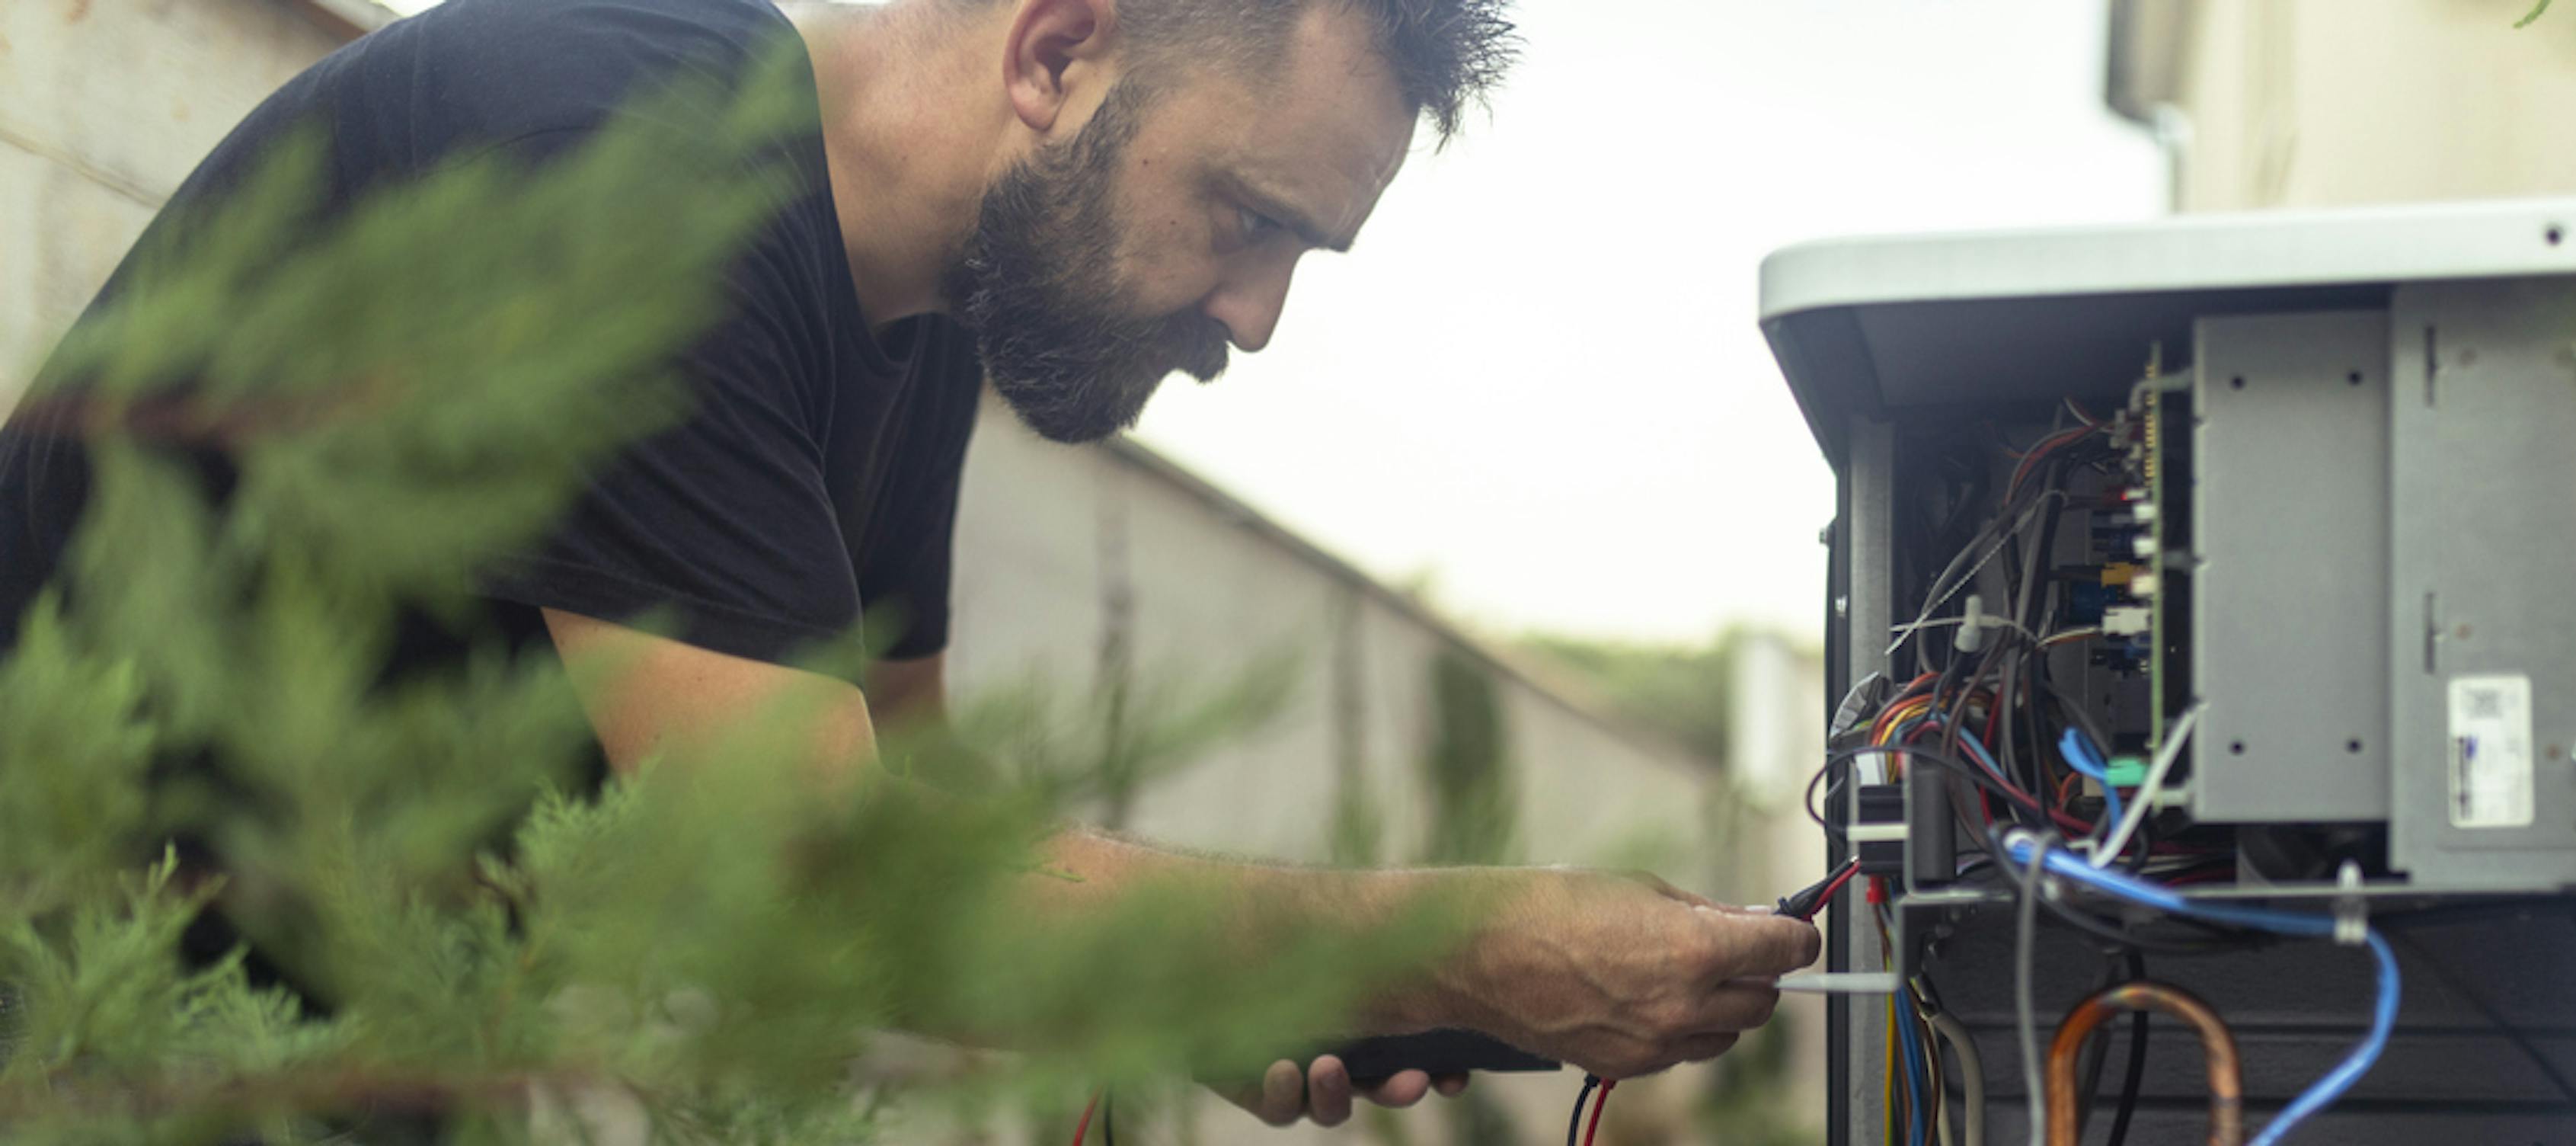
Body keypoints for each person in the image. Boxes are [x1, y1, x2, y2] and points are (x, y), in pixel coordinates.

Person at [0, 0, 1821, 1131]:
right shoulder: (635, 174)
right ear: (1056, 53)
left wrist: (1213, 979)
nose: (1256, 320)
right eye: (1252, 218)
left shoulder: (921, 310)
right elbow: (828, 883)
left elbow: (921, 814)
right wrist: (1466, 944)